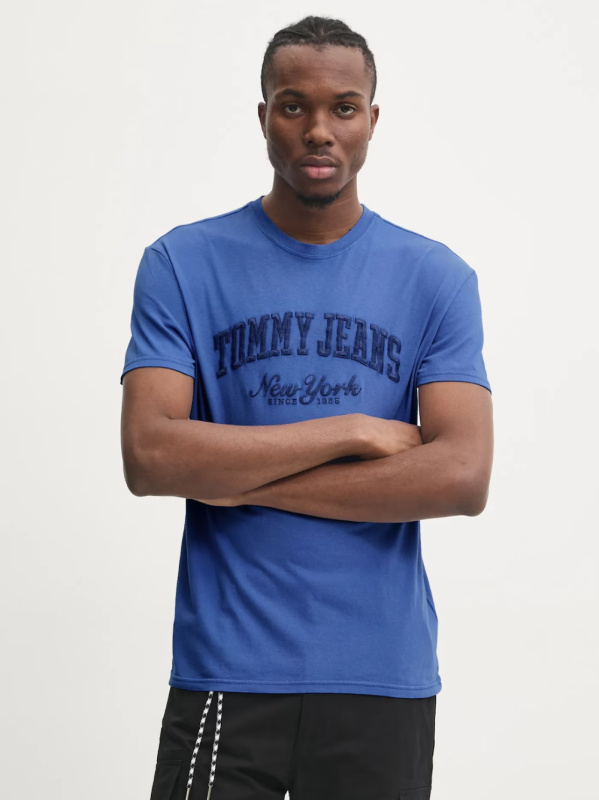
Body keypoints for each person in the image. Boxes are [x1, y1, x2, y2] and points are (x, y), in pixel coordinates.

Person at [119, 15, 493, 800]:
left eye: (342, 108)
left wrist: (232, 478)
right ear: (264, 116)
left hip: (379, 675)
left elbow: (460, 476)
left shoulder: (435, 278)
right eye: (293, 106)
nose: (318, 129)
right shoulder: (182, 264)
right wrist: (350, 430)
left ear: (371, 120)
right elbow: (150, 456)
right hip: (227, 667)